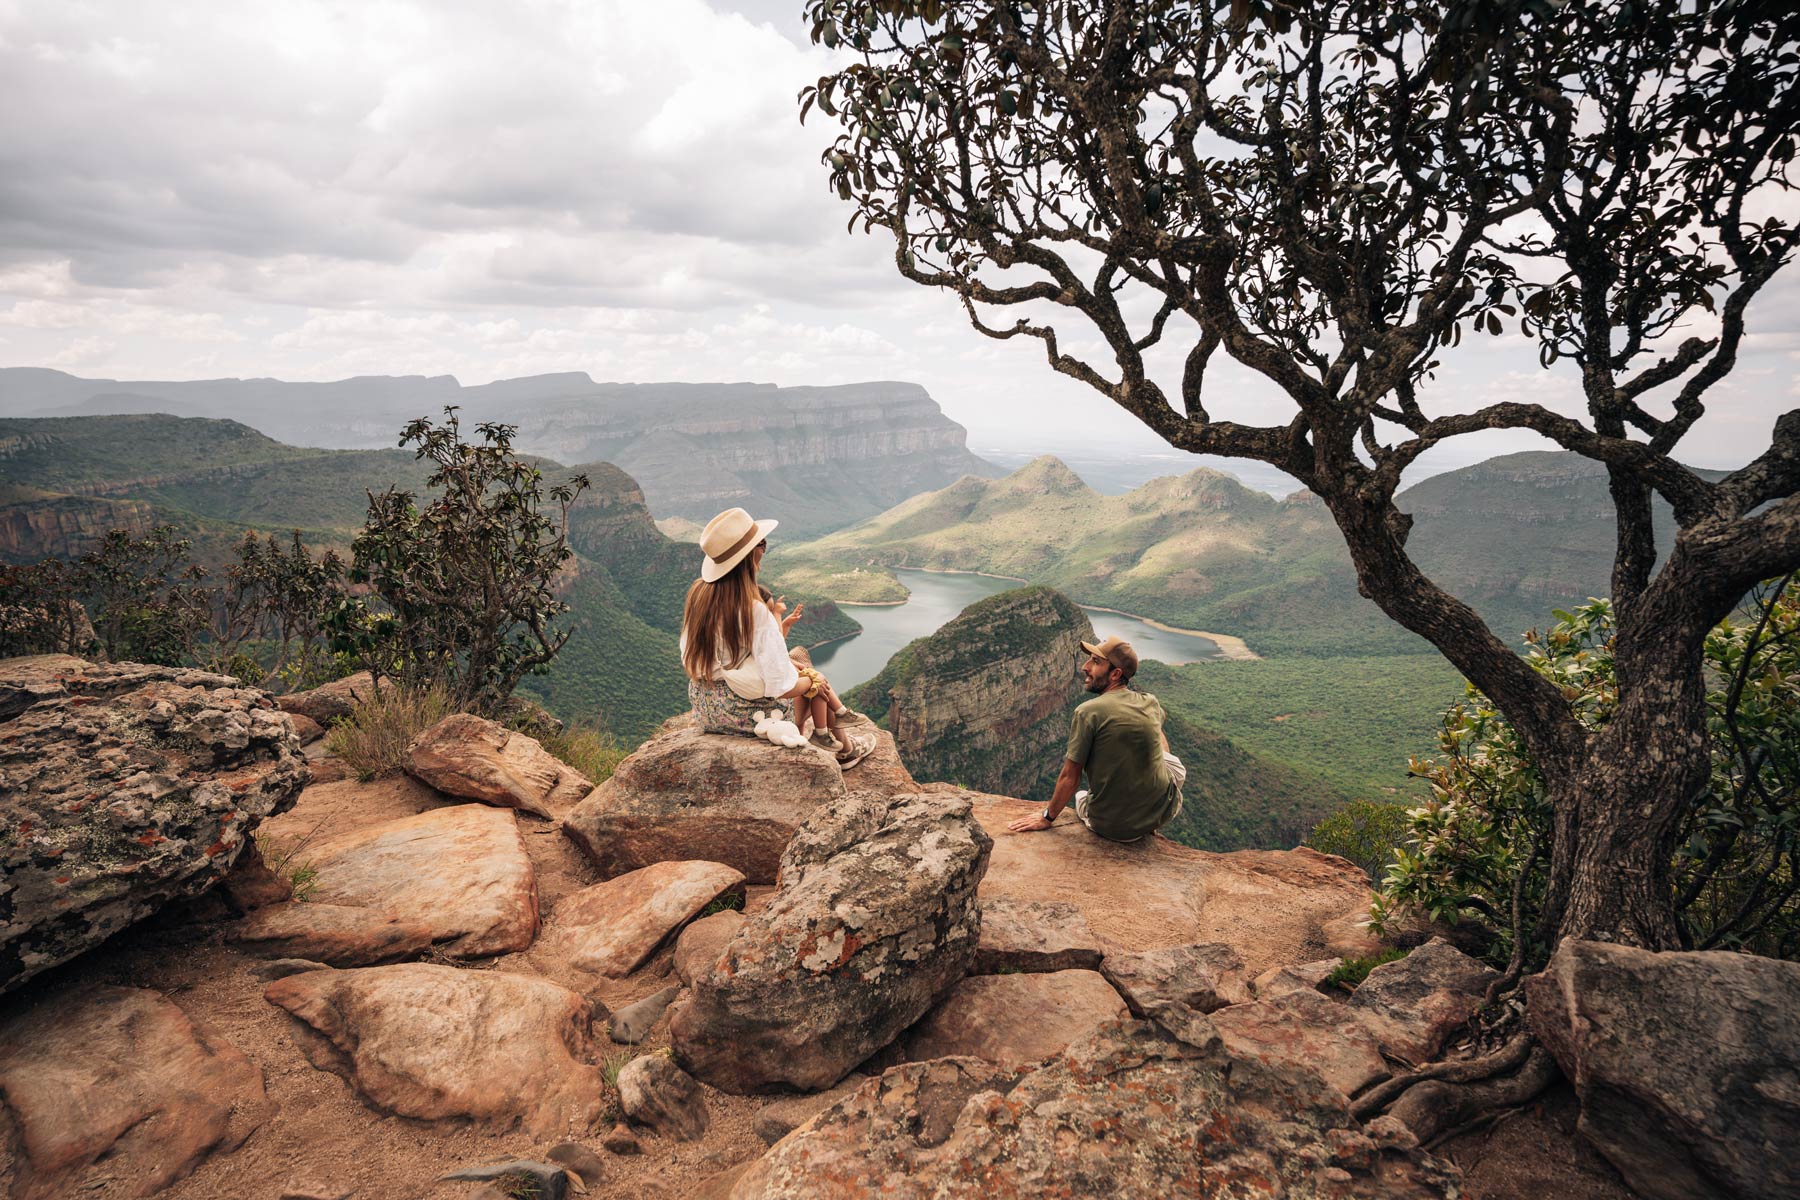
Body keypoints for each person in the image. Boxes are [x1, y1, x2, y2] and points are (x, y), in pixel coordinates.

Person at [680, 507, 873, 766]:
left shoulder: (698, 595)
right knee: (814, 680)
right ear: (751, 555)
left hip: (706, 706)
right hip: (748, 714)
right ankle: (845, 749)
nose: (764, 549)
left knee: (798, 656)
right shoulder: (752, 610)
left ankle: (841, 744)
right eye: (762, 543)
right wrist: (814, 682)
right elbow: (782, 686)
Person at [1007, 635, 1186, 840]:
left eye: (1095, 662)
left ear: (1115, 674)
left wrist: (1047, 817)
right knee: (1172, 760)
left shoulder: (1088, 712)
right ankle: (1148, 807)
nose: (1085, 667)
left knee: (1081, 796)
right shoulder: (1150, 702)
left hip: (1110, 826)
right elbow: (1158, 724)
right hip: (1158, 813)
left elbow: (1070, 777)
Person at [757, 584, 851, 738]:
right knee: (819, 684)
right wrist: (778, 614)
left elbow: (774, 647)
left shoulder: (746, 632)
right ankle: (839, 739)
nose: (772, 617)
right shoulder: (758, 632)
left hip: (766, 705)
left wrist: (785, 624)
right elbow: (776, 649)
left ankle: (825, 727)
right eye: (770, 612)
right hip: (772, 713)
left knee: (799, 657)